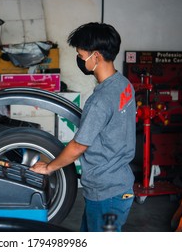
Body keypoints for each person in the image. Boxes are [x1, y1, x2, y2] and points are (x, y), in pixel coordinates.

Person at [30, 22, 136, 232]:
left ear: (95, 56)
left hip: (106, 194)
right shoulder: (124, 84)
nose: (79, 60)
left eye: (80, 55)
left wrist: (49, 167)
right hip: (118, 183)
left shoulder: (100, 101)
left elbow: (79, 146)